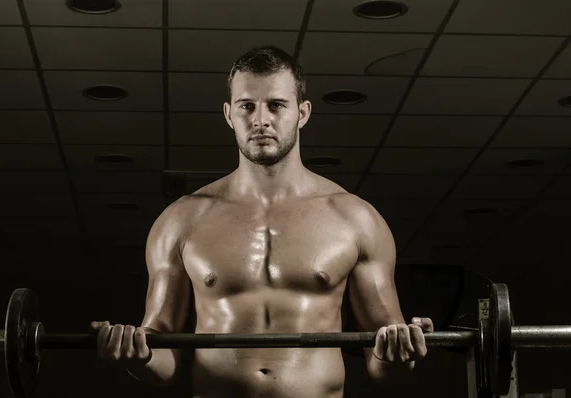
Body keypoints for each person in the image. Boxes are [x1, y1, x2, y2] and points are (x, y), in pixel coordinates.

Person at [91, 45, 434, 398]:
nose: (260, 120)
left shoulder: (354, 218)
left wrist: (399, 351)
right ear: (228, 114)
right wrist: (137, 354)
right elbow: (163, 356)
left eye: (276, 105)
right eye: (247, 106)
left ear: (302, 112)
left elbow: (383, 362)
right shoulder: (182, 220)